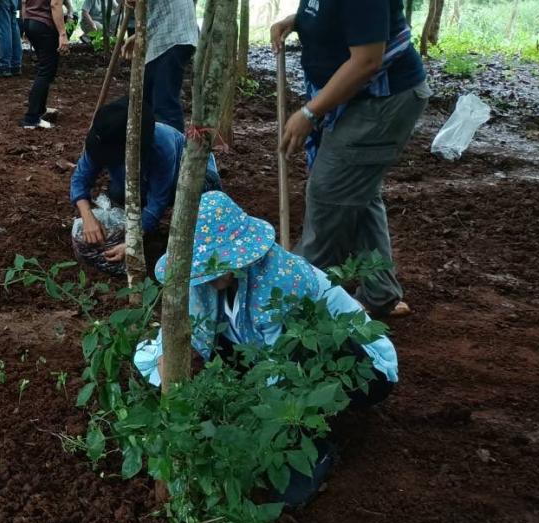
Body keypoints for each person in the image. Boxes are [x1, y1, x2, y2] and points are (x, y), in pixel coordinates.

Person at [134, 191, 398, 505]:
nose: (209, 274)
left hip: (360, 366)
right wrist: (164, 363)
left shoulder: (281, 282)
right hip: (276, 357)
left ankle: (311, 446)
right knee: (219, 347)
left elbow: (280, 366)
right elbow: (181, 332)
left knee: (297, 348)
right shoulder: (207, 286)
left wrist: (251, 426)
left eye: (217, 264)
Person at [271, 0, 429, 320]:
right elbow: (334, 14)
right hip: (353, 102)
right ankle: (380, 293)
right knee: (357, 193)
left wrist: (309, 112)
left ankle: (294, 304)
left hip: (381, 102)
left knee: (328, 193)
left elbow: (366, 62)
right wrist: (296, 21)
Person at [70, 97, 220, 275]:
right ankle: (143, 229)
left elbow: (158, 199)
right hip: (139, 180)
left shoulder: (161, 145)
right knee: (117, 193)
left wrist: (132, 242)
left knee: (197, 201)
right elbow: (80, 179)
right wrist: (88, 217)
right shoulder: (103, 139)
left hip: (190, 177)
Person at [103, 0, 199, 131]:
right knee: (145, 100)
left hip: (174, 36)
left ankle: (172, 148)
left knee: (164, 103)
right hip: (159, 37)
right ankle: (149, 146)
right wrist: (139, 35)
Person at [19, 0, 70, 129]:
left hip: (30, 23)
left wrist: (25, 25)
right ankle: (31, 119)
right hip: (45, 26)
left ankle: (39, 109)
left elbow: (24, 1)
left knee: (44, 68)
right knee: (45, 72)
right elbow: (56, 4)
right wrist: (62, 34)